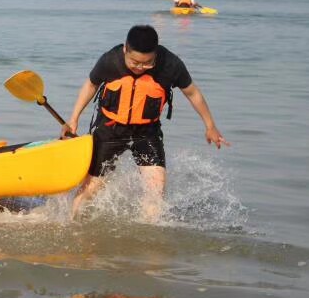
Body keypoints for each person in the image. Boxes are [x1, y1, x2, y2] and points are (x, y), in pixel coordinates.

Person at [61, 25, 228, 221]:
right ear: (125, 49)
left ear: (155, 53)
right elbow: (91, 84)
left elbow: (192, 93)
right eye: (134, 62)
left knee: (156, 190)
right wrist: (74, 118)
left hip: (147, 132)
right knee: (91, 188)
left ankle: (150, 231)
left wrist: (210, 126)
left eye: (147, 63)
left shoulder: (170, 64)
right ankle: (71, 222)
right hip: (109, 129)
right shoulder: (110, 61)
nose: (140, 68)